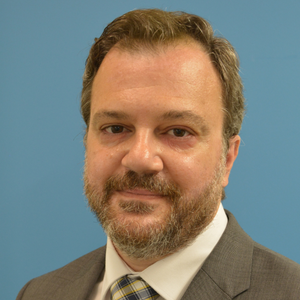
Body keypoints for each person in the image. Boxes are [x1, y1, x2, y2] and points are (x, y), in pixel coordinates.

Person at [17, 9, 300, 300]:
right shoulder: (39, 293)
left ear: (228, 158)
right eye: (115, 128)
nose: (140, 159)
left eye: (178, 132)